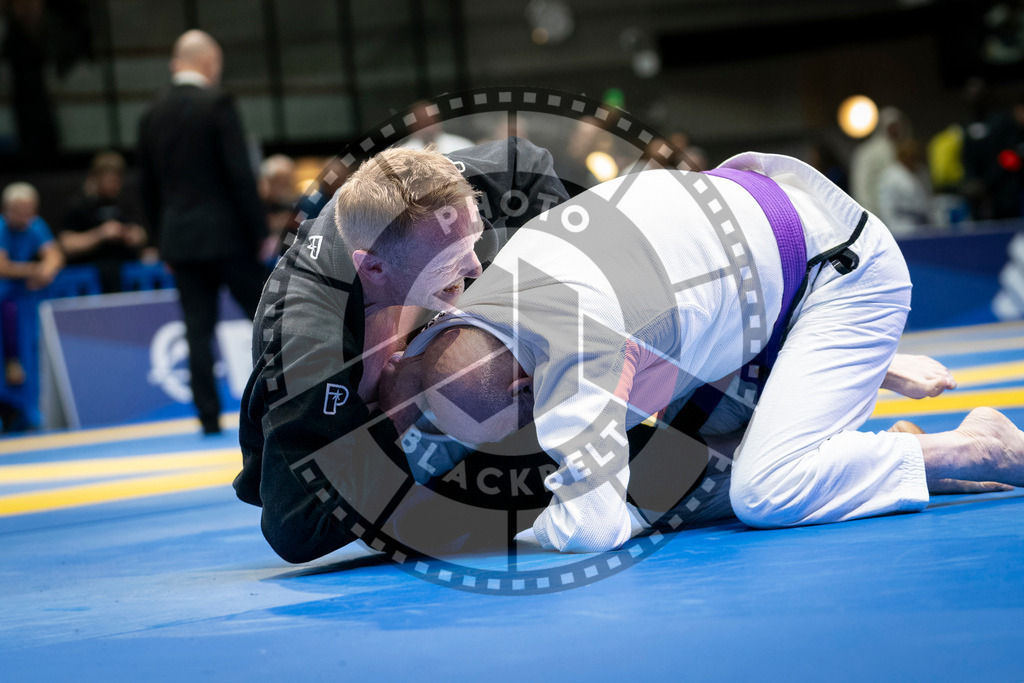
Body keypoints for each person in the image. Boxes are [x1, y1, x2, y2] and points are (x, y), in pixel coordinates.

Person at [391, 152, 1024, 553]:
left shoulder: (583, 356)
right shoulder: (479, 291)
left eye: (520, 419)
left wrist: (519, 535)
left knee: (765, 492)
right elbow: (424, 375)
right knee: (671, 475)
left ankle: (974, 446)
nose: (523, 435)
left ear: (527, 388)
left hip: (837, 274)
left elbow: (593, 531)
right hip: (750, 273)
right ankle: (866, 450)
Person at [235, 138, 570, 562]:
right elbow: (294, 526)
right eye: (449, 259)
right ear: (374, 268)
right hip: (372, 453)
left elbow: (526, 159)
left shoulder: (430, 199)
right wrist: (398, 420)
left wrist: (557, 285)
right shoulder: (310, 342)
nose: (474, 267)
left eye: (473, 241)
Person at [137, 29, 268, 435]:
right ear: (210, 62)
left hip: (180, 241)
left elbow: (146, 186)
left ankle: (208, 418)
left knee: (197, 329)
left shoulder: (151, 113)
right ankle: (289, 398)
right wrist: (259, 231)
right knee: (267, 317)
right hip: (228, 236)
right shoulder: (218, 103)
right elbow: (239, 174)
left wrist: (160, 242)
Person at [59, 151, 151, 293]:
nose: (113, 185)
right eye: (108, 180)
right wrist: (100, 234)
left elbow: (142, 234)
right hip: (89, 277)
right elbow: (66, 244)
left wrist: (134, 235)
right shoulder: (80, 205)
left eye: (117, 180)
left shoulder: (126, 204)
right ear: (96, 178)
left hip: (126, 272)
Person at [0, 182, 63, 386]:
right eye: (18, 210)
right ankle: (12, 362)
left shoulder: (36, 225)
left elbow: (54, 256)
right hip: (5, 293)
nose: (24, 215)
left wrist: (46, 271)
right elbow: (2, 267)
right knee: (8, 309)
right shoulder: (1, 228)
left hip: (28, 295)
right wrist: (34, 270)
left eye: (28, 210)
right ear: (7, 208)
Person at [850, 106, 908, 217]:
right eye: (892, 127)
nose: (895, 131)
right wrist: (869, 214)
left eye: (897, 126)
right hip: (877, 214)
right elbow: (862, 185)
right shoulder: (868, 152)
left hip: (901, 216)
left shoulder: (906, 151)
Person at [876, 139, 934, 237]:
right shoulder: (891, 176)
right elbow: (887, 208)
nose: (914, 161)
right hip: (899, 228)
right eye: (911, 157)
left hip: (920, 227)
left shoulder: (919, 172)